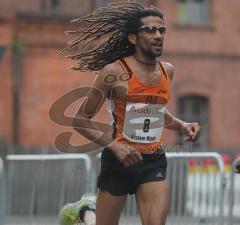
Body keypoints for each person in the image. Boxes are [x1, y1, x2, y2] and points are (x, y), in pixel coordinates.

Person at [60, 2, 200, 225]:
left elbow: (155, 112)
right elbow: (80, 120)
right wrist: (114, 146)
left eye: (162, 30)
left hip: (152, 160)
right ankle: (85, 212)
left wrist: (181, 125)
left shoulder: (167, 71)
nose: (158, 35)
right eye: (150, 30)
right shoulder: (114, 72)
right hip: (118, 160)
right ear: (133, 38)